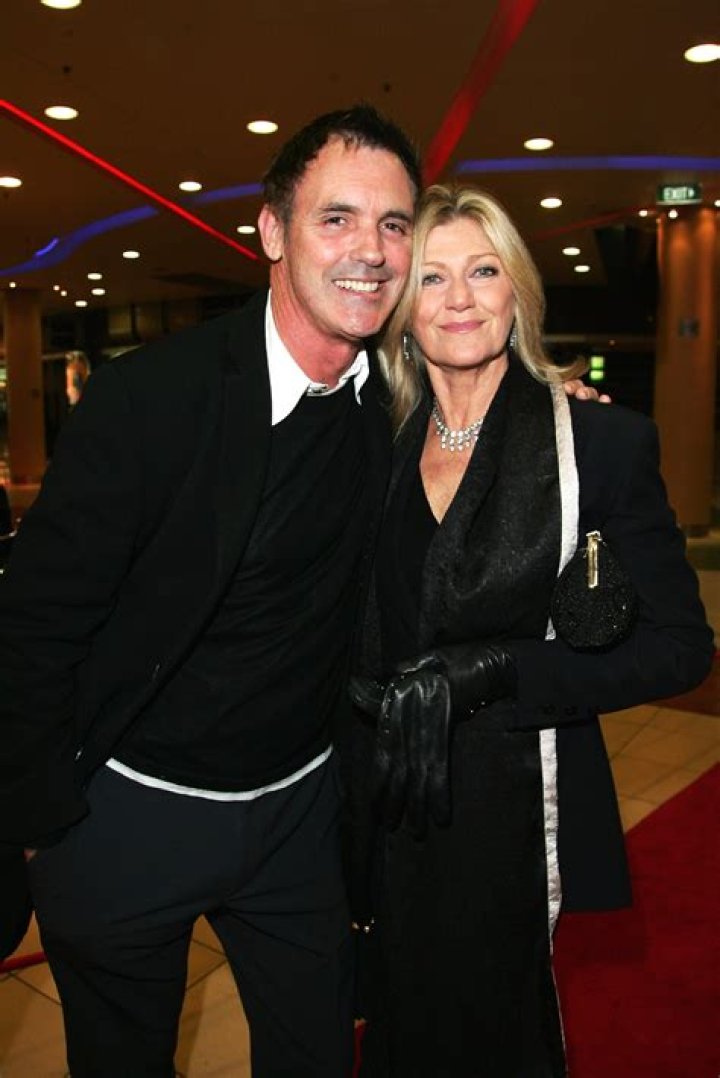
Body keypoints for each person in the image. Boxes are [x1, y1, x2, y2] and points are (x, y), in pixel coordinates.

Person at [0, 105, 420, 1078]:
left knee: (320, 1050)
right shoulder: (151, 399)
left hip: (298, 818)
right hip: (129, 816)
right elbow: (34, 625)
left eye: (394, 224)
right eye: (337, 218)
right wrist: (45, 825)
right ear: (272, 231)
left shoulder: (397, 407)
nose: (370, 251)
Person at [347, 184, 714, 1077]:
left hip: (510, 809)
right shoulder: (368, 444)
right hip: (383, 803)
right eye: (432, 278)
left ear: (518, 292)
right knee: (398, 1031)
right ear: (402, 309)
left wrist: (506, 671)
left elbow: (681, 648)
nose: (459, 299)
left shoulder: (597, 445)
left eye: (483, 272)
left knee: (496, 1040)